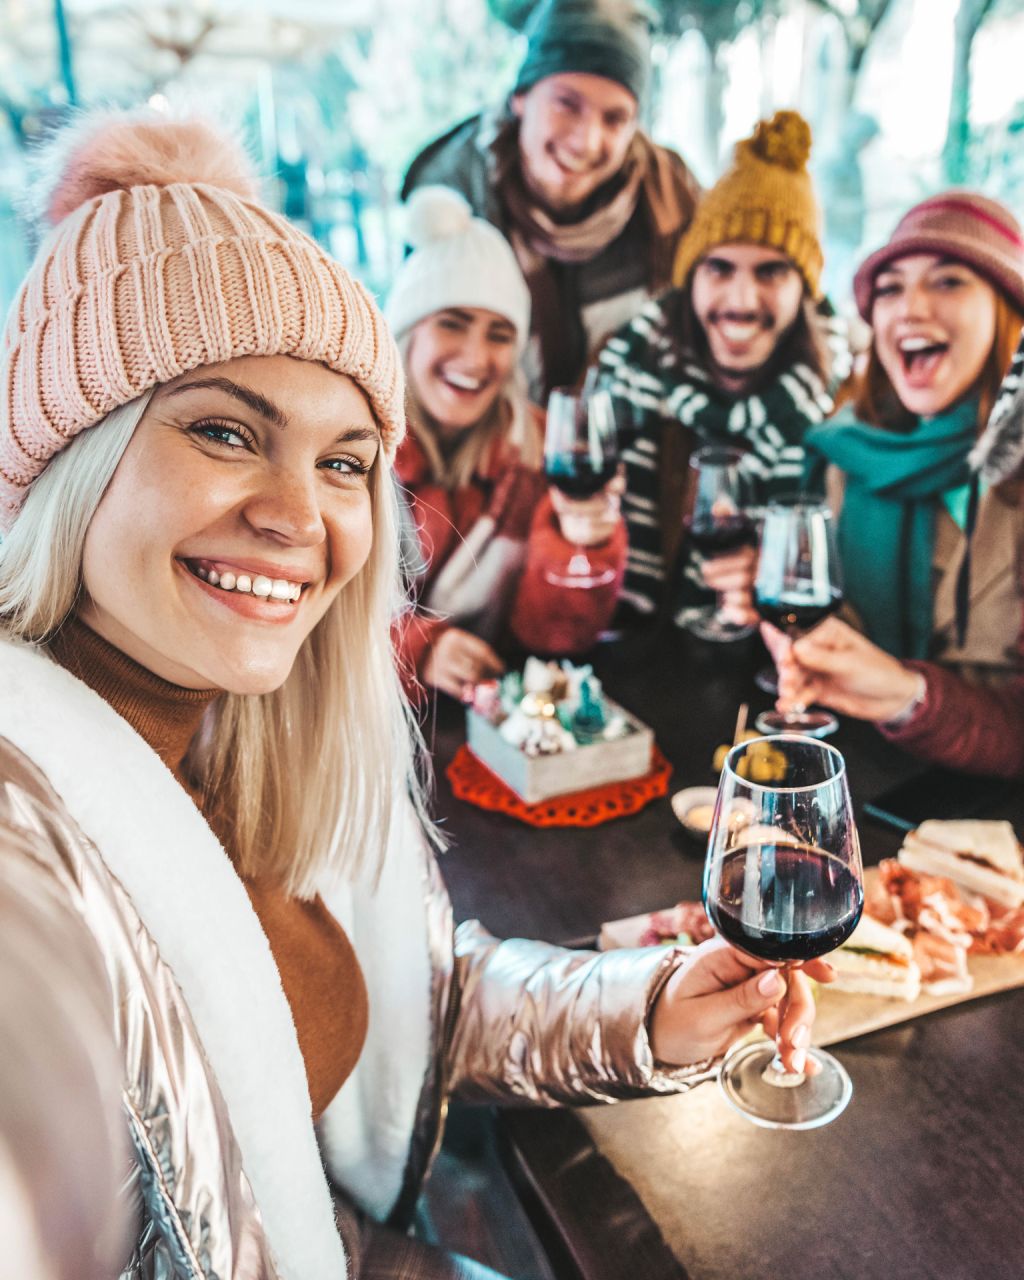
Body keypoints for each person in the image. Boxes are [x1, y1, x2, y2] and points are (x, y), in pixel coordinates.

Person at [0, 110, 829, 1278]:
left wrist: (650, 1007)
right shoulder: (27, 832)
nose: (300, 515)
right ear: (63, 457)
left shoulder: (268, 729)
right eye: (225, 431)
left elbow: (424, 1003)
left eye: (344, 459)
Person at [765, 195, 1024, 774]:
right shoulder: (844, 456)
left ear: (1009, 311)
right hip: (854, 790)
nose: (910, 309)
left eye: (949, 282)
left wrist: (909, 695)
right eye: (890, 289)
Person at [598, 110, 847, 625]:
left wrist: (777, 577)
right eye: (720, 267)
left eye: (771, 271)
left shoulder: (845, 407)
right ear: (691, 279)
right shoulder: (625, 374)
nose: (740, 300)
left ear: (804, 290)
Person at [386, 186, 626, 698]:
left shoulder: (540, 448)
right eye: (452, 324)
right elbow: (307, 626)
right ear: (407, 336)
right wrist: (418, 649)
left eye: (499, 335)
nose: (476, 358)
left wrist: (579, 544)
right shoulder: (349, 450)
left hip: (493, 723)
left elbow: (554, 635)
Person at [401, 0, 700, 402]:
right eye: (567, 103)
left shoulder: (673, 199)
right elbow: (418, 375)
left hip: (628, 447)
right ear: (521, 97)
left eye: (614, 118)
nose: (586, 140)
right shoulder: (451, 191)